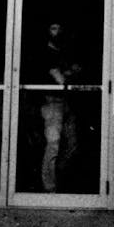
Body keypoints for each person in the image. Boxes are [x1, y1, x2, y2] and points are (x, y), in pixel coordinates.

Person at [39, 20, 81, 192]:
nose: (58, 32)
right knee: (53, 144)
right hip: (52, 102)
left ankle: (58, 179)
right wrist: (71, 73)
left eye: (60, 28)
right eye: (53, 28)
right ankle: (49, 188)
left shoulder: (63, 52)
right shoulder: (45, 53)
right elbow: (60, 79)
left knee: (72, 143)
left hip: (66, 102)